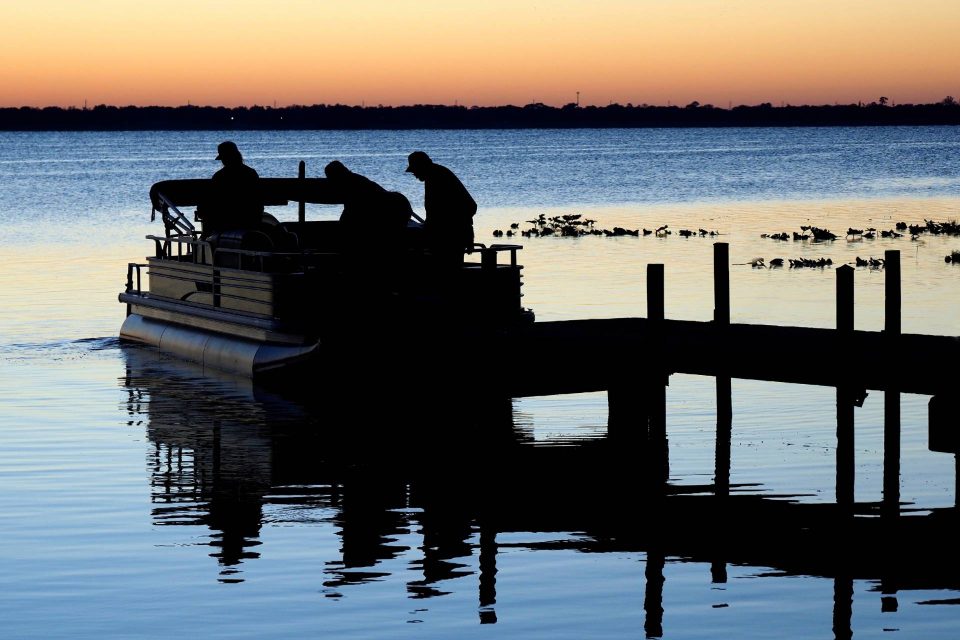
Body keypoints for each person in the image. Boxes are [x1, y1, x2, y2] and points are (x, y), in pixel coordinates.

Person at [405, 151, 477, 270]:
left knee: (448, 267)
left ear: (421, 166)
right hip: (450, 232)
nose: (415, 175)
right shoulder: (434, 174)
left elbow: (465, 207)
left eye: (415, 171)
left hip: (452, 233)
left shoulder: (436, 177)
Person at [198, 141, 263, 238]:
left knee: (205, 231)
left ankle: (203, 246)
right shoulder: (251, 173)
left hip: (226, 222)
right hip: (251, 220)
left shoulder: (219, 176)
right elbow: (258, 200)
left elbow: (211, 201)